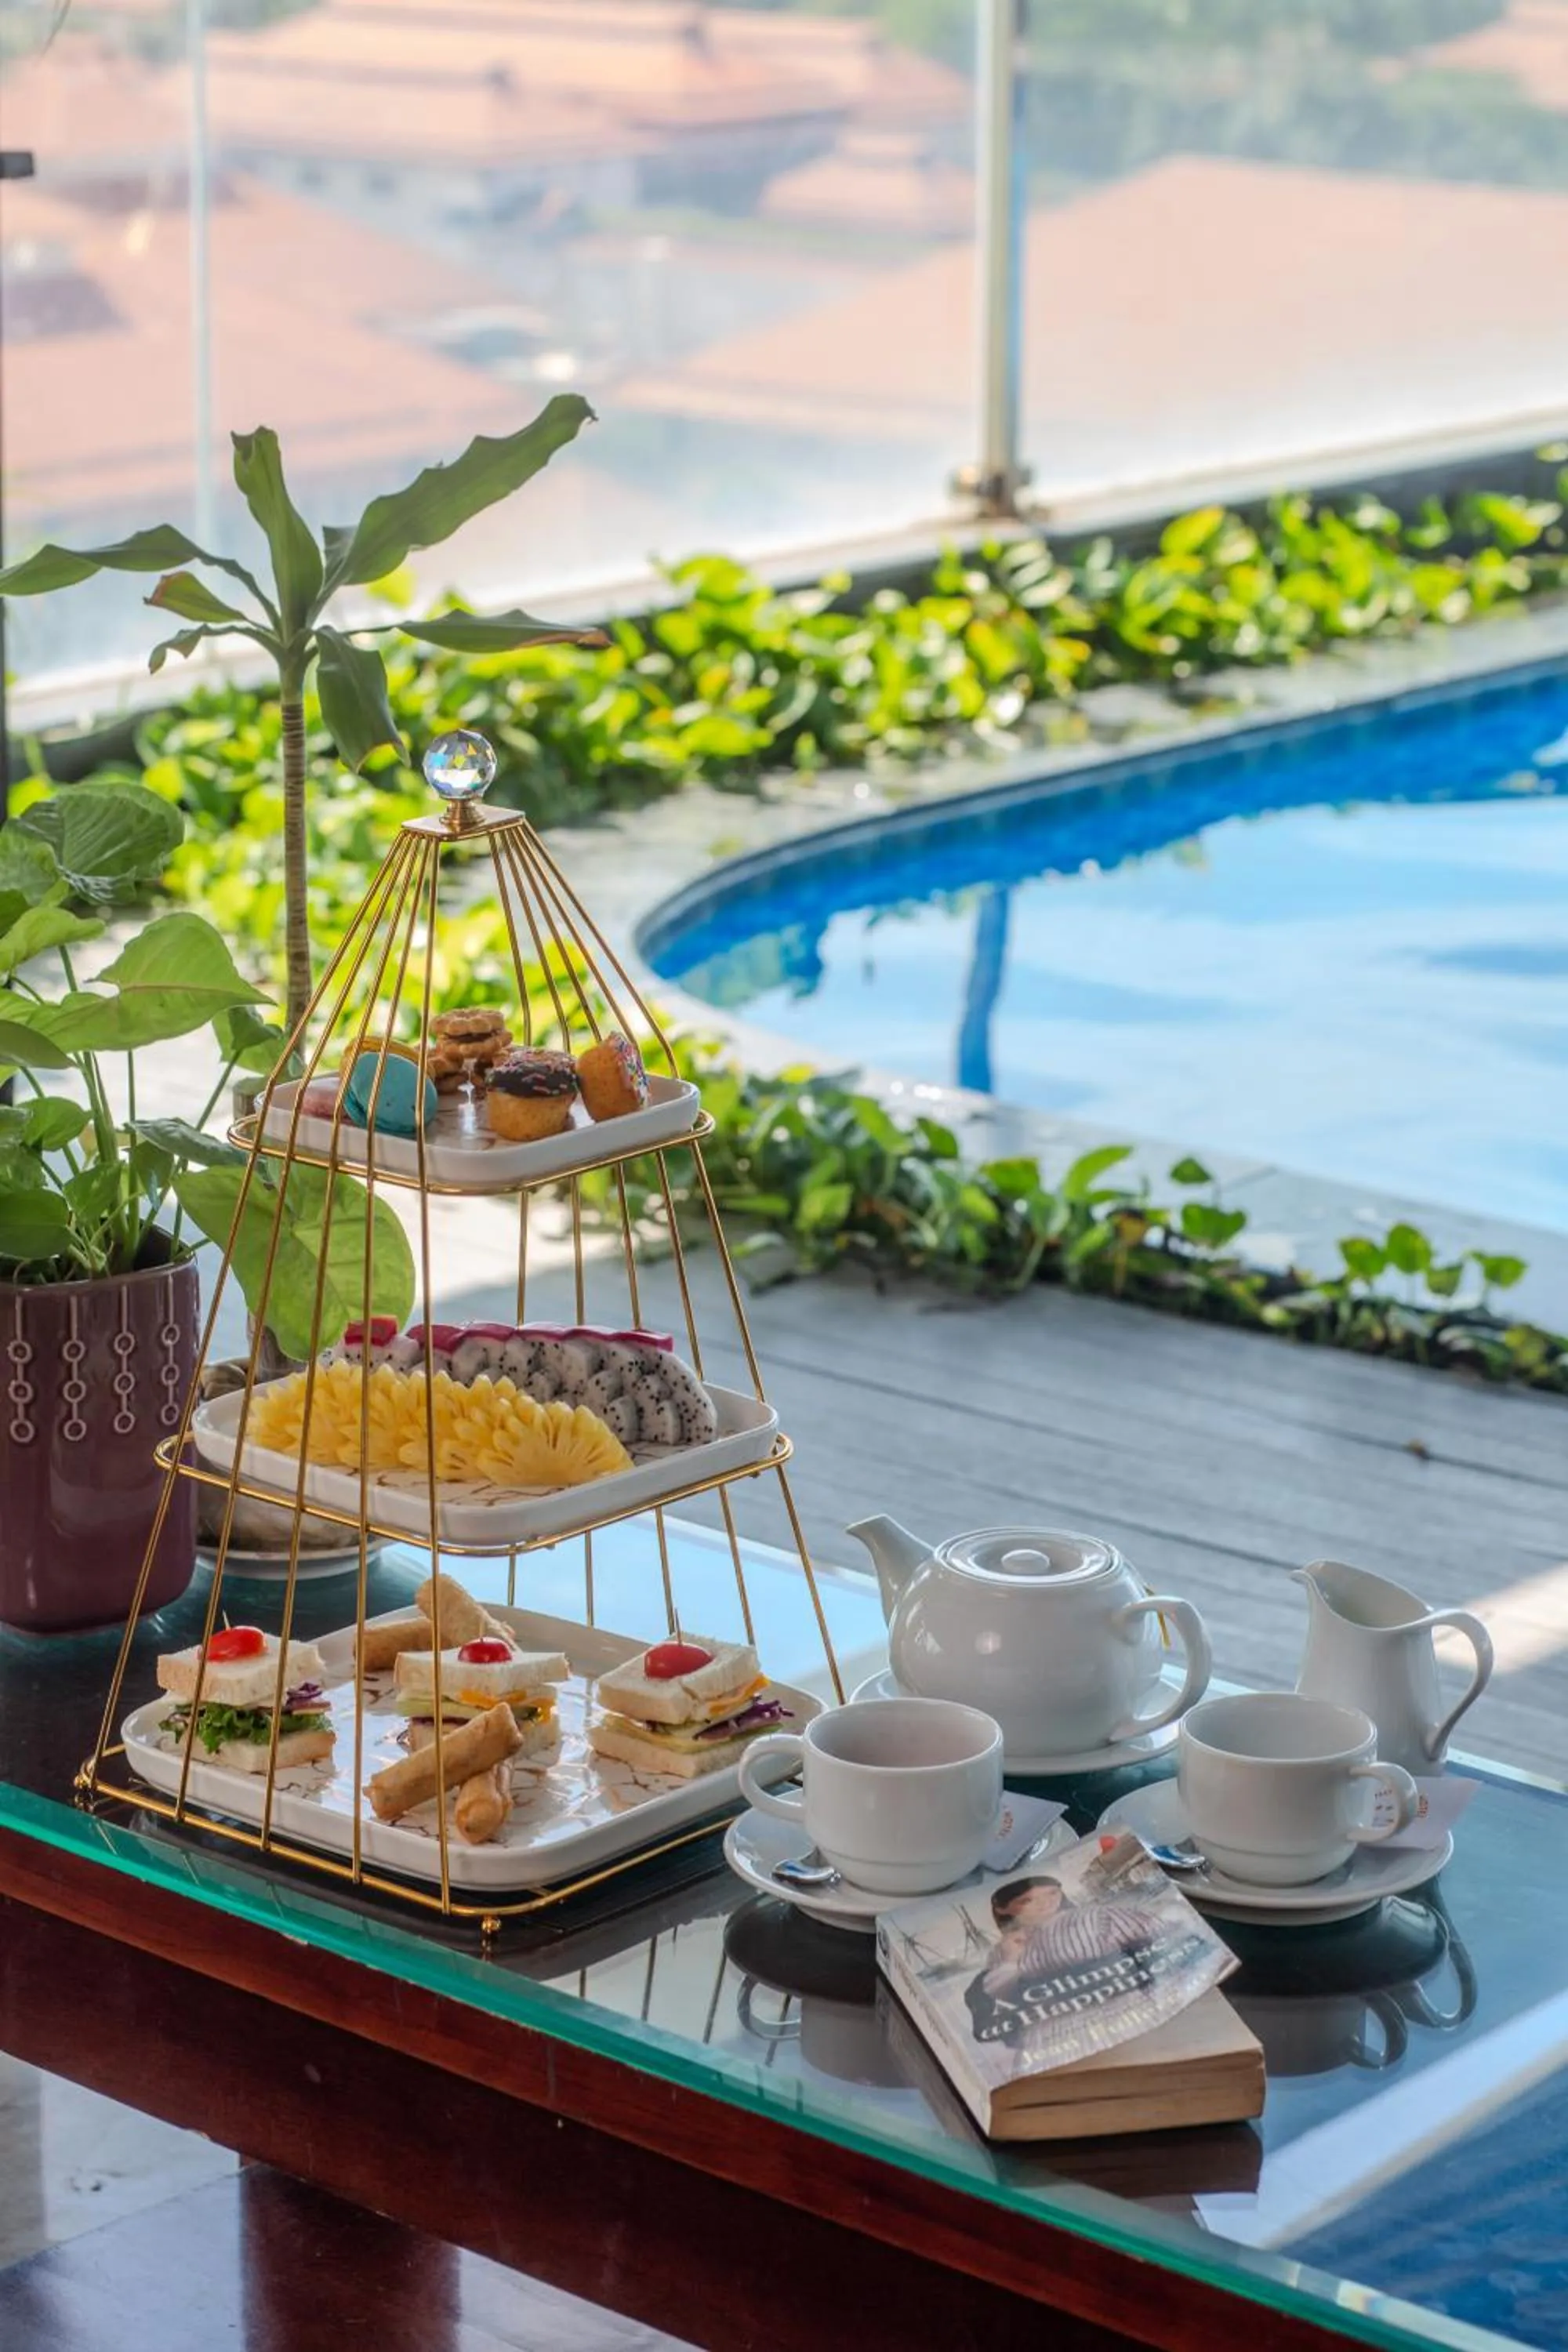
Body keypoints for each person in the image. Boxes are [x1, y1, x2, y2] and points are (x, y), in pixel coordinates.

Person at [963, 1873, 1173, 2050]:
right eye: (1027, 1900)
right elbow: (1000, 2001)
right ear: (1004, 1910)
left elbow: (1159, 1938)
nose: (1045, 1903)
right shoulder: (1004, 1949)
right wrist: (1010, 1961)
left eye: (1052, 1893)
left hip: (1124, 2013)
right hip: (1051, 2038)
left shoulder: (1095, 1917)